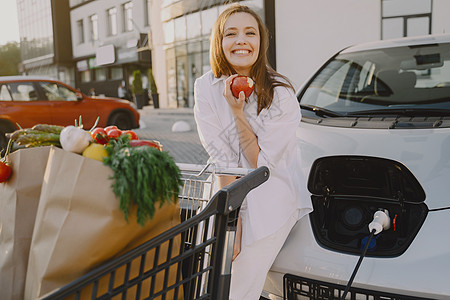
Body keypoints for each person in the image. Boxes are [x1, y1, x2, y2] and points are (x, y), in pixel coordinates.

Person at [193, 4, 313, 300]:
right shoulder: (206, 87)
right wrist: (230, 216)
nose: (241, 40)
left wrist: (237, 113)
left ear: (261, 41)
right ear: (219, 43)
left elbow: (262, 165)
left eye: (250, 32)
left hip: (270, 193)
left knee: (236, 288)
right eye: (230, 33)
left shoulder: (281, 94)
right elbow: (219, 152)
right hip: (226, 189)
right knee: (207, 278)